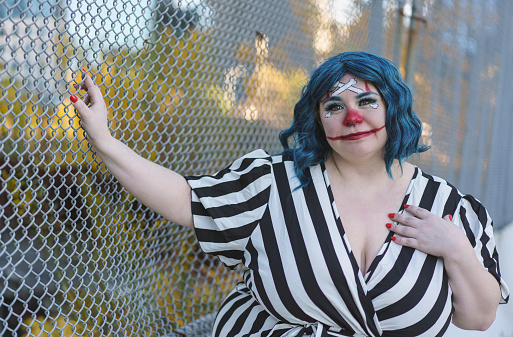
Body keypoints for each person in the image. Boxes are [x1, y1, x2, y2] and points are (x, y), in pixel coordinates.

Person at [70, 51, 508, 337]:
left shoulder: (450, 209)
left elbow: (478, 317)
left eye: (367, 101)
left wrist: (456, 249)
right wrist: (106, 141)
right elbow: (186, 199)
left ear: (394, 107)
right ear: (319, 122)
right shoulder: (275, 183)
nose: (352, 116)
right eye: (334, 106)